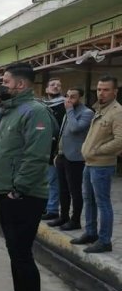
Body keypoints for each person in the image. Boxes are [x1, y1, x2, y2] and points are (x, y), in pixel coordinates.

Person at [0, 62, 53, 291]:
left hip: (23, 195)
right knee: (14, 251)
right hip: (6, 191)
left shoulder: (35, 111)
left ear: (21, 84)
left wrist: (19, 189)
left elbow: (36, 156)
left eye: (6, 81)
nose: (2, 86)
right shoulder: (11, 110)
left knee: (22, 254)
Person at [71, 75, 122, 253]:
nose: (101, 93)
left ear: (115, 92)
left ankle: (105, 240)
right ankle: (91, 233)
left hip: (102, 164)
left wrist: (96, 150)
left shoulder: (117, 112)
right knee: (89, 200)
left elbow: (120, 140)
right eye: (99, 89)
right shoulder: (100, 109)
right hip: (90, 163)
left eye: (106, 89)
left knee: (102, 203)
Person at [47, 88, 93, 231]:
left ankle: (75, 220)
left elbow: (74, 128)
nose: (69, 99)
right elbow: (62, 132)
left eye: (73, 97)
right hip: (62, 156)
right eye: (67, 96)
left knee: (75, 191)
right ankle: (64, 216)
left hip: (75, 158)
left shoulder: (86, 113)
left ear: (80, 98)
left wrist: (69, 110)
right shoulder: (69, 111)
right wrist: (57, 153)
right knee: (63, 190)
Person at [41, 77, 66, 221]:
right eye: (52, 84)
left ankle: (52, 209)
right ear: (46, 89)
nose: (56, 87)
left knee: (53, 181)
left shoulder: (64, 106)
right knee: (44, 181)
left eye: (58, 85)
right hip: (42, 148)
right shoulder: (43, 106)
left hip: (55, 149)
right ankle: (45, 206)